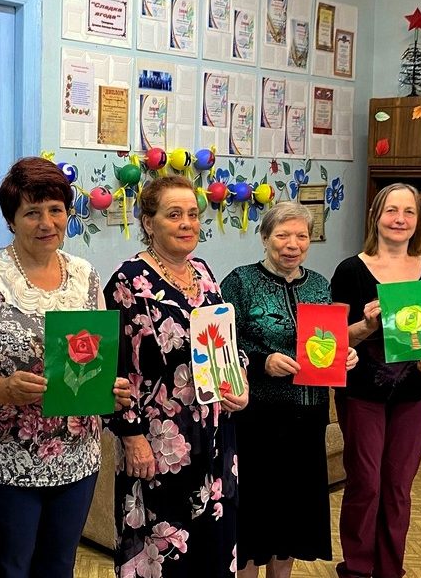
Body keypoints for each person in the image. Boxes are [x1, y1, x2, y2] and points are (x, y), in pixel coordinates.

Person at [0, 157, 131, 578]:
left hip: (77, 460)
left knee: (58, 568)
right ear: (11, 220)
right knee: (6, 570)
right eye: (32, 212)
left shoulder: (86, 276)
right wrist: (2, 389)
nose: (46, 223)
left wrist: (109, 387)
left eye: (55, 210)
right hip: (2, 463)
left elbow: (95, 355)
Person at [104, 174, 248, 578]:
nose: (187, 223)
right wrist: (131, 437)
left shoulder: (203, 272)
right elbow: (115, 368)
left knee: (213, 551)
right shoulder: (129, 281)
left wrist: (240, 381)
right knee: (165, 554)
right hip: (160, 443)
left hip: (215, 437)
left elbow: (225, 340)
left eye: (192, 214)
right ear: (149, 223)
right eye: (173, 214)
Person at [220, 202, 357, 578]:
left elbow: (327, 339)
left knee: (294, 513)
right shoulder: (240, 282)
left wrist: (345, 354)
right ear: (265, 238)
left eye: (301, 236)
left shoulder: (319, 284)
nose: (292, 244)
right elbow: (221, 344)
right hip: (257, 416)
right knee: (255, 510)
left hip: (308, 414)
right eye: (282, 235)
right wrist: (262, 361)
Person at [330, 183, 421, 578]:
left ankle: (389, 569)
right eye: (392, 211)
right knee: (365, 482)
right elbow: (332, 338)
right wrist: (366, 325)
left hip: (413, 391)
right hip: (362, 390)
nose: (400, 219)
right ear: (376, 217)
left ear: (418, 220)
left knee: (398, 486)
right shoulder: (350, 270)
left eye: (409, 212)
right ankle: (357, 568)